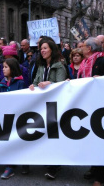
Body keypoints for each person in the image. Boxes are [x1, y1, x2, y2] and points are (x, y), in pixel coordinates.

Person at [78, 37, 104, 186]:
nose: (80, 48)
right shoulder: (84, 63)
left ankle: (100, 177)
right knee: (90, 141)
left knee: (99, 141)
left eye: (83, 46)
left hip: (101, 108)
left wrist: (103, 80)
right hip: (86, 107)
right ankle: (94, 168)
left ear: (89, 48)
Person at [28, 37, 67, 180]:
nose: (42, 51)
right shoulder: (41, 66)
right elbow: (36, 81)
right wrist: (33, 85)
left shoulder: (59, 66)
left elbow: (61, 84)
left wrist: (49, 83)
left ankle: (54, 166)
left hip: (55, 105)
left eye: (45, 48)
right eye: (41, 49)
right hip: (42, 104)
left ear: (52, 49)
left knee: (54, 134)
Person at [0, 58, 26, 179]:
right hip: (5, 116)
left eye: (6, 67)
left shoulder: (20, 83)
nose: (3, 69)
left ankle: (24, 162)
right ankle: (9, 166)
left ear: (12, 68)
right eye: (3, 67)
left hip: (17, 116)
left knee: (20, 139)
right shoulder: (1, 82)